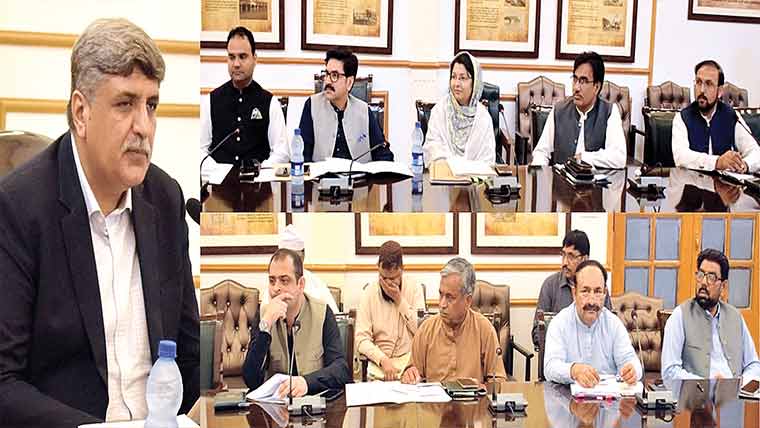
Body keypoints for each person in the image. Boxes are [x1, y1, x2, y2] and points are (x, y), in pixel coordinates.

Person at [0, 18, 199, 426]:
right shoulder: (20, 208)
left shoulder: (165, 199)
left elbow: (189, 355)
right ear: (81, 113)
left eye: (151, 105)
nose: (143, 127)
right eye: (125, 104)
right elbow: (4, 382)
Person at [243, 249, 351, 398]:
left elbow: (341, 370)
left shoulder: (322, 312)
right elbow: (250, 379)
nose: (276, 288)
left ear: (301, 284)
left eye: (284, 280)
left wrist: (307, 382)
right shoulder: (264, 315)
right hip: (276, 406)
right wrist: (266, 325)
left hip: (313, 404)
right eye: (272, 281)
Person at [400, 258, 506, 386]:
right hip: (435, 399)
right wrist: (409, 374)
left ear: (468, 301)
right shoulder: (426, 329)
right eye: (441, 294)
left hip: (472, 399)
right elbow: (412, 373)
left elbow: (498, 382)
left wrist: (482, 388)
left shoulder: (484, 329)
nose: (442, 304)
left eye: (450, 297)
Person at [200, 26, 288, 175]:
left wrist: (260, 171)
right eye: (231, 57)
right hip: (220, 184)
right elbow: (200, 150)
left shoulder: (270, 102)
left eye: (242, 56)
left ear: (255, 59)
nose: (236, 64)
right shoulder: (211, 100)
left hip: (259, 184)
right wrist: (219, 171)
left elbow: (282, 153)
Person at [661, 249, 760, 381]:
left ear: (723, 286)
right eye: (701, 274)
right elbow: (670, 372)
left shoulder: (735, 317)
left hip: (735, 392)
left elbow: (753, 365)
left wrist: (738, 384)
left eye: (711, 277)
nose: (703, 282)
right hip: (698, 393)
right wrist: (708, 385)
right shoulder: (679, 316)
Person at [543, 260, 641, 387]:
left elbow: (631, 361)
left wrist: (632, 371)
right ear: (574, 293)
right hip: (567, 397)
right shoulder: (559, 323)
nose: (592, 301)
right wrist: (573, 370)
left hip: (609, 397)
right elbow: (550, 367)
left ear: (605, 293)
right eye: (585, 291)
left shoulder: (613, 324)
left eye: (598, 292)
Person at [530, 51, 626, 169]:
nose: (576, 87)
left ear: (596, 87)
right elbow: (541, 152)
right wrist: (539, 174)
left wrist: (585, 158)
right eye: (575, 79)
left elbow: (619, 157)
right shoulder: (559, 110)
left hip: (595, 180)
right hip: (561, 179)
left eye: (583, 81)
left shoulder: (609, 112)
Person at [298, 46, 394, 163]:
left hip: (358, 175)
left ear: (349, 82)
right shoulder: (312, 106)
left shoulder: (363, 111)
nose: (327, 81)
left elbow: (383, 154)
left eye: (334, 75)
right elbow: (302, 155)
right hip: (322, 175)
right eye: (326, 74)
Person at [671, 60, 760, 173]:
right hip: (692, 182)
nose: (702, 90)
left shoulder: (731, 116)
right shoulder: (682, 117)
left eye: (709, 84)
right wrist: (717, 162)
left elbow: (756, 152)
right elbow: (681, 157)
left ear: (720, 91)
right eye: (698, 82)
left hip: (724, 183)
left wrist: (744, 165)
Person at [355, 241, 425, 381]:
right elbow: (361, 339)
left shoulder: (415, 288)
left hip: (408, 364)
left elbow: (421, 332)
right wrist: (382, 359)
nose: (387, 284)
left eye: (392, 279)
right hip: (379, 364)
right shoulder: (369, 293)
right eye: (383, 277)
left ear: (402, 269)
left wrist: (399, 300)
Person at [531, 230, 611, 347]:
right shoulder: (550, 285)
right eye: (563, 255)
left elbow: (608, 328)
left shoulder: (598, 287)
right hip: (558, 352)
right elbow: (537, 333)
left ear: (585, 259)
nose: (564, 262)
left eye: (571, 256)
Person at [422, 51, 495, 167]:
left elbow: (488, 159)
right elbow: (432, 149)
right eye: (453, 77)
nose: (456, 83)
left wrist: (465, 169)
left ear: (475, 83)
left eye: (462, 78)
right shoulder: (440, 111)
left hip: (475, 177)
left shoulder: (483, 118)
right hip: (445, 175)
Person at [260, 224, 339, 313]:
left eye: (284, 280)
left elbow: (335, 316)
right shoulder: (273, 289)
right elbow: (264, 317)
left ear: (303, 257)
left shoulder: (317, 284)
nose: (277, 287)